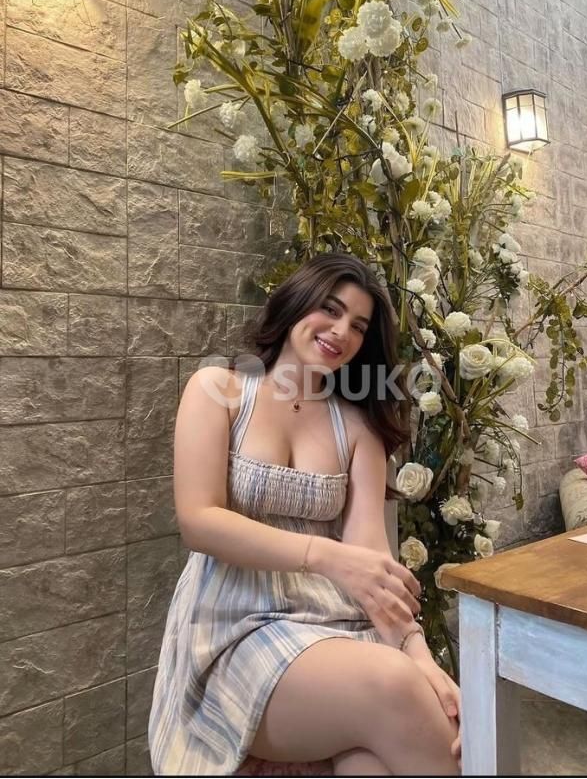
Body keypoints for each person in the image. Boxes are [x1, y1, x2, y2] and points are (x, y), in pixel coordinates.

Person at [148, 253, 461, 776]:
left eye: (358, 326)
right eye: (330, 310)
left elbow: (371, 563)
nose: (341, 332)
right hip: (237, 626)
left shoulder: (357, 428)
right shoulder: (219, 390)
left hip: (338, 626)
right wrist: (326, 556)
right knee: (394, 686)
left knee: (376, 761)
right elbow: (199, 520)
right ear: (296, 303)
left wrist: (423, 659)